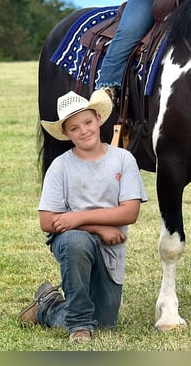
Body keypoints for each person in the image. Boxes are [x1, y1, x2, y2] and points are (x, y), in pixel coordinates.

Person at [18, 89, 148, 343]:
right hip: (73, 244)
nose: (84, 131)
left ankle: (48, 306)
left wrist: (77, 219)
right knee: (75, 240)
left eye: (88, 122)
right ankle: (78, 327)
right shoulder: (60, 166)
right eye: (74, 128)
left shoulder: (123, 160)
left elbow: (130, 212)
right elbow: (48, 221)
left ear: (99, 119)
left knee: (104, 324)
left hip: (110, 255)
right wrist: (99, 228)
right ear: (66, 134)